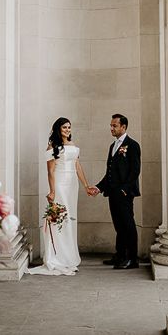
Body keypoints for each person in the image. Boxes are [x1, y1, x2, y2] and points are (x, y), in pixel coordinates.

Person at [27, 117, 95, 276]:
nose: (67, 130)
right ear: (58, 129)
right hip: (59, 185)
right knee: (59, 219)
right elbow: (50, 171)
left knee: (71, 219)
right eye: (64, 127)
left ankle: (69, 257)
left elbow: (77, 166)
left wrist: (86, 185)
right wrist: (52, 191)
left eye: (69, 127)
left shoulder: (72, 145)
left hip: (72, 186)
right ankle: (57, 258)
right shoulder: (52, 146)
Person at [90, 113, 141, 269]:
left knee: (128, 225)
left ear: (123, 127)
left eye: (114, 125)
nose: (111, 128)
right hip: (112, 193)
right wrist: (99, 187)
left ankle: (132, 259)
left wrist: (125, 190)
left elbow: (135, 171)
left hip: (124, 194)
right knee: (119, 226)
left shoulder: (132, 145)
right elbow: (110, 172)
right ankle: (120, 256)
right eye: (111, 125)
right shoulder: (113, 146)